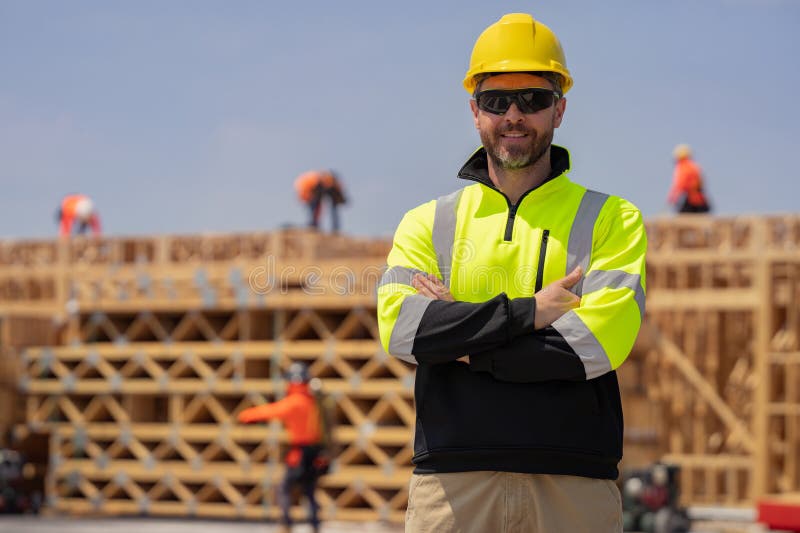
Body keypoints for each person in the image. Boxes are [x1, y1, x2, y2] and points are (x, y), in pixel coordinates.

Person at [376, 13, 647, 533]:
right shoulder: (427, 223)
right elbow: (406, 333)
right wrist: (532, 312)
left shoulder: (612, 219)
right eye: (497, 100)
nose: (515, 114)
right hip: (453, 484)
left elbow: (594, 346)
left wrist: (461, 337)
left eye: (534, 99)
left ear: (560, 109)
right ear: (475, 111)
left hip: (572, 485)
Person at [238, 362, 327, 533]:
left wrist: (247, 415)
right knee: (309, 490)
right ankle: (315, 525)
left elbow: (272, 411)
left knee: (285, 487)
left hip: (300, 452)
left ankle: (286, 524)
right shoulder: (314, 401)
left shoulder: (295, 402)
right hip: (315, 451)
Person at [667, 144, 711, 213]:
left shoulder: (683, 167)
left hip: (692, 199)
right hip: (699, 198)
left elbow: (679, 185)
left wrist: (672, 199)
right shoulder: (694, 166)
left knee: (683, 218)